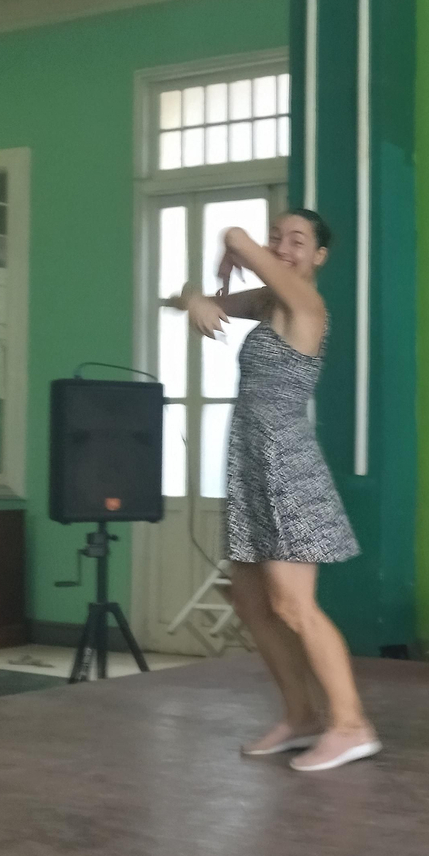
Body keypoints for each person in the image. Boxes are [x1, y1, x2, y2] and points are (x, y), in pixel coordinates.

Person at [167, 209, 379, 772]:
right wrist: (195, 297)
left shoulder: (306, 306)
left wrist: (232, 247)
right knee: (253, 603)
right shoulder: (266, 304)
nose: (283, 247)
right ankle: (302, 715)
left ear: (318, 256)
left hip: (286, 464)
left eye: (297, 240)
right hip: (251, 463)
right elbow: (186, 298)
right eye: (277, 238)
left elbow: (234, 237)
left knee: (293, 603)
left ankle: (351, 724)